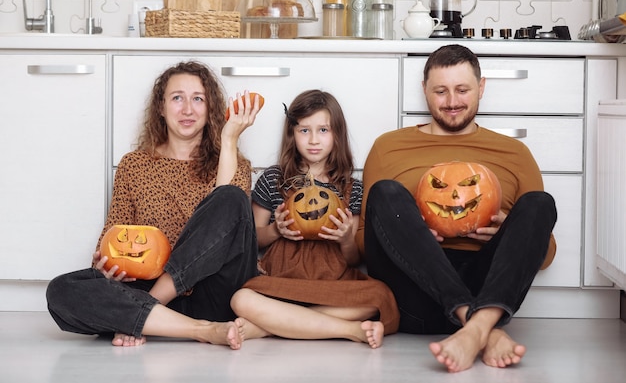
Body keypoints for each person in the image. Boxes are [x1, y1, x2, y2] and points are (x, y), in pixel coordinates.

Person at [357, 44, 557, 372]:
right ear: (424, 91)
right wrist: (413, 233)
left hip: (486, 284)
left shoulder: (515, 153)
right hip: (414, 293)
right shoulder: (388, 147)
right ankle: (482, 328)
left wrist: (505, 231)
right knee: (386, 192)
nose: (452, 102)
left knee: (540, 203)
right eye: (441, 91)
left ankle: (474, 328)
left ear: (481, 88)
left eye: (462, 89)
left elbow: (545, 254)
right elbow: (364, 243)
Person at [46, 61, 262, 349]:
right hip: (151, 293)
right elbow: (113, 237)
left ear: (210, 109)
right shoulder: (133, 166)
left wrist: (229, 139)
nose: (187, 109)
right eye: (177, 98)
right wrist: (105, 267)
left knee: (231, 197)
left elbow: (226, 216)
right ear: (161, 108)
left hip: (214, 292)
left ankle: (141, 313)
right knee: (61, 290)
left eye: (198, 99)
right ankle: (201, 330)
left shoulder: (234, 161)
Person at [230, 89, 399, 349]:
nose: (313, 140)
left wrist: (345, 239)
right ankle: (348, 329)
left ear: (337, 135)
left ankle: (269, 328)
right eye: (304, 130)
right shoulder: (273, 180)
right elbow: (253, 239)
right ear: (292, 134)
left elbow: (354, 258)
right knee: (241, 299)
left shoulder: (351, 189)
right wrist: (277, 230)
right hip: (281, 283)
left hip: (332, 285)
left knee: (379, 296)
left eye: (323, 130)